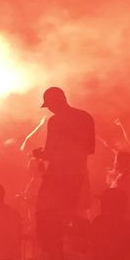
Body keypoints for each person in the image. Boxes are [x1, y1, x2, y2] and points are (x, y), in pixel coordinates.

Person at [33, 87, 95, 220]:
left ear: (55, 102)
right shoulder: (85, 117)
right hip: (80, 174)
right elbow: (90, 149)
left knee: (49, 215)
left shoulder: (55, 121)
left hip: (58, 177)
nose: (50, 109)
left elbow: (50, 153)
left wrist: (39, 155)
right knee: (77, 216)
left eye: (49, 105)